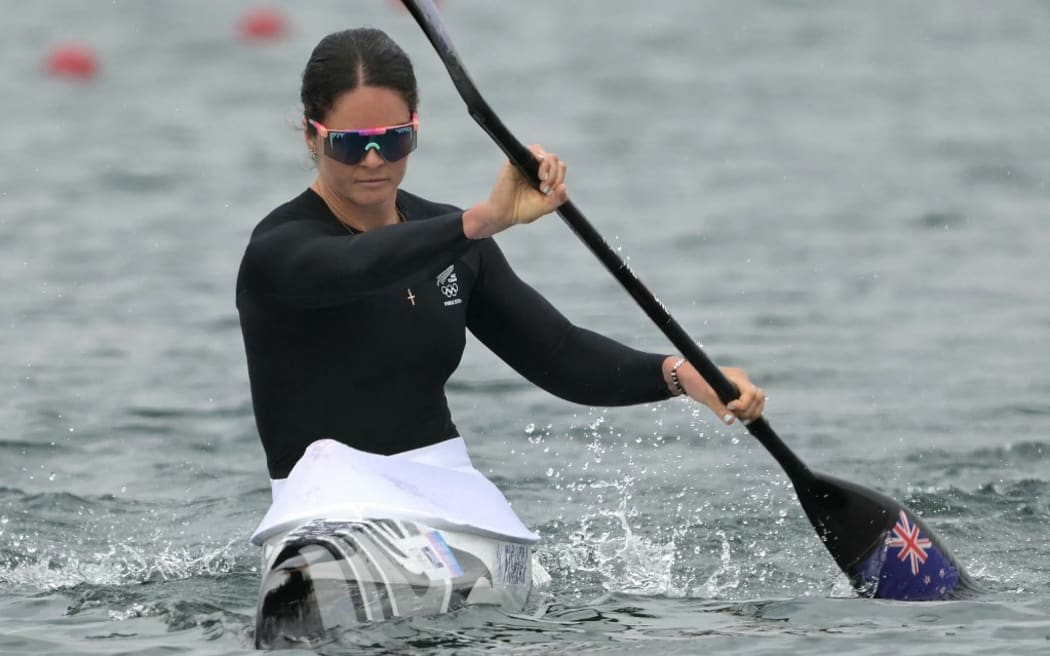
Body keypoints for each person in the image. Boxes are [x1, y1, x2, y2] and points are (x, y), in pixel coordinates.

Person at [236, 27, 765, 540]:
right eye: (351, 145)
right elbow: (356, 266)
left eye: (393, 140)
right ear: (311, 135)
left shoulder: (455, 245)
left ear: (415, 129)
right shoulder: (279, 250)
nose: (374, 161)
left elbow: (559, 355)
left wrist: (682, 375)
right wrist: (481, 221)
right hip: (318, 499)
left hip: (443, 487)